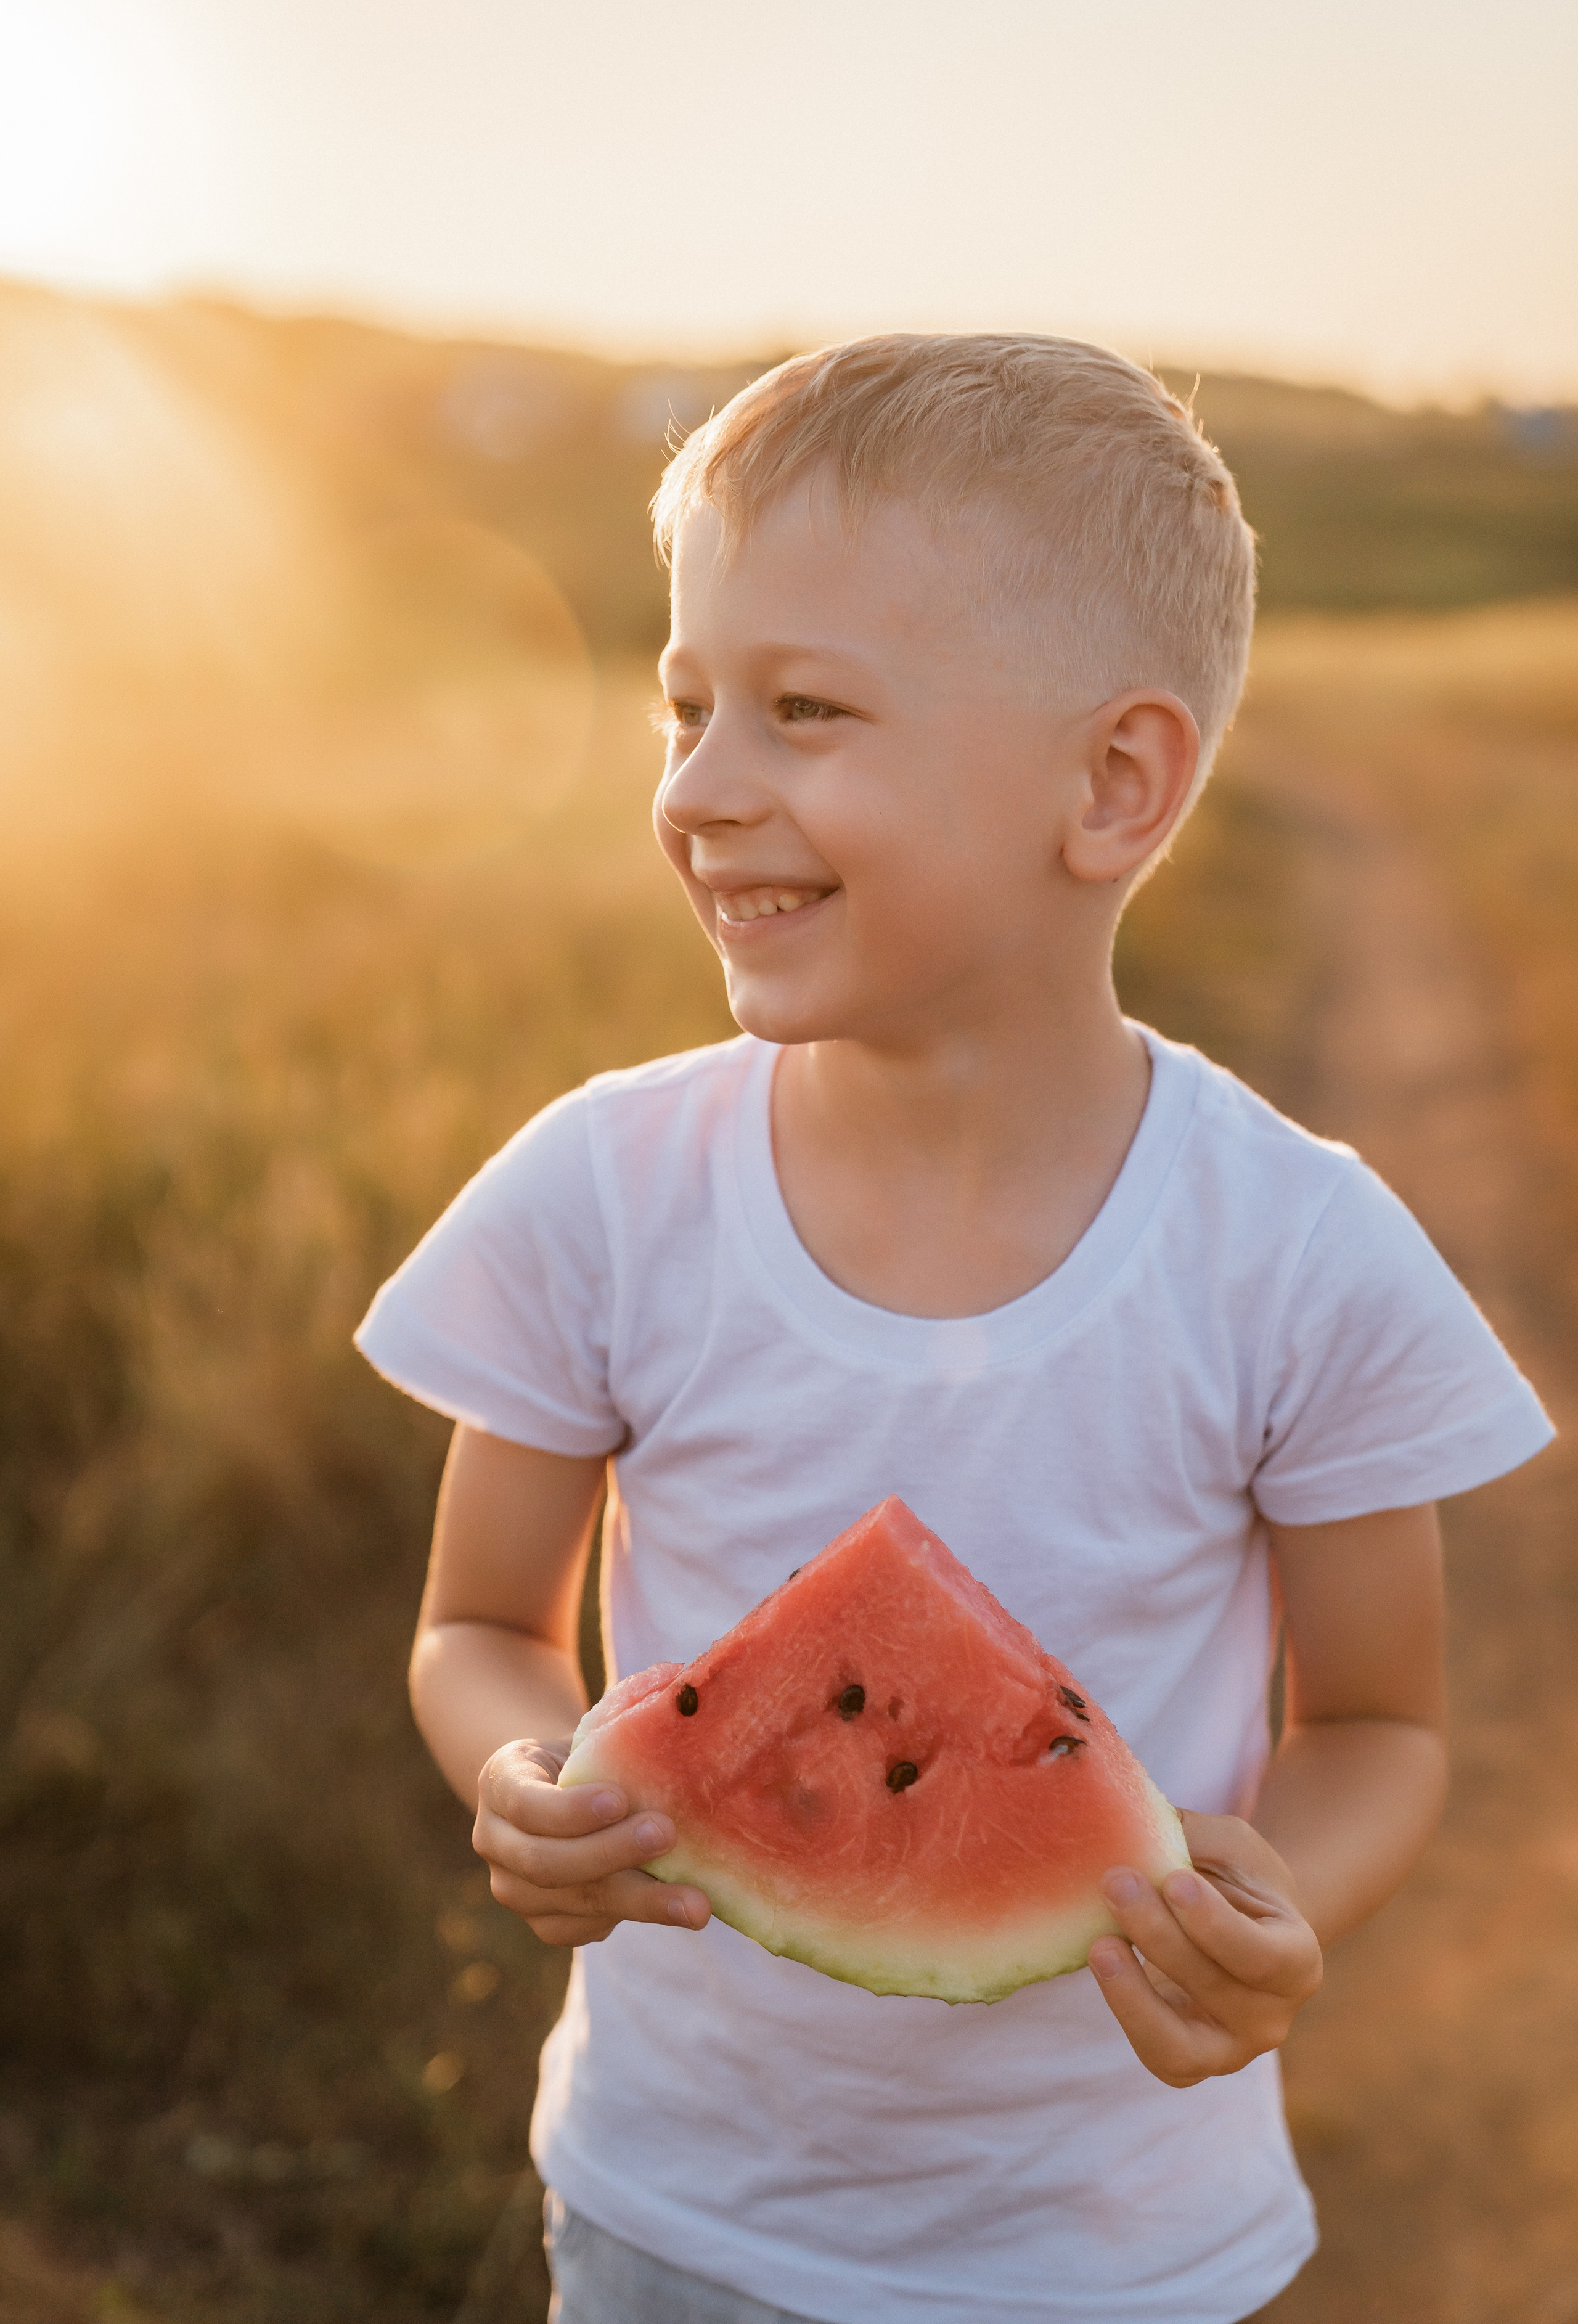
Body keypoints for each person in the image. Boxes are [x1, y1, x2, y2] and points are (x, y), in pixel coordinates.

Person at [356, 335, 1553, 2324]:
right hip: (677, 2217)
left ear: (1113, 782)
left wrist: (1282, 1895)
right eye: (685, 705)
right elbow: (479, 1622)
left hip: (1119, 2257)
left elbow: (1384, 1725)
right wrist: (525, 1770)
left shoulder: (1297, 1248)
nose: (701, 791)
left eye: (804, 710)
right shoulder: (602, 1191)